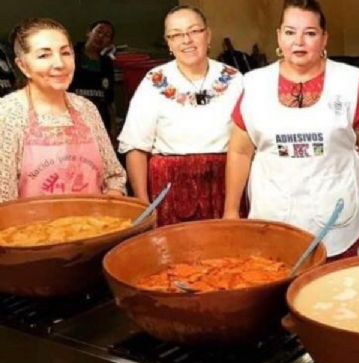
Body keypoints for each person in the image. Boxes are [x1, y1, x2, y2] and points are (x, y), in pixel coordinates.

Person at [223, 0, 359, 259]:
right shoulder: (254, 85)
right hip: (273, 214)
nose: (298, 41)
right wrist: (231, 209)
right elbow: (240, 152)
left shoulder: (349, 83)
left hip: (338, 216)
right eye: (290, 32)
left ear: (324, 39)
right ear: (278, 36)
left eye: (310, 33)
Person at [118, 5, 244, 226]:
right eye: (176, 34)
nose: (186, 40)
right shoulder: (153, 80)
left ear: (208, 35)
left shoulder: (233, 79)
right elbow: (136, 146)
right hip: (169, 189)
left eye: (194, 31)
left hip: (226, 186)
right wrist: (143, 206)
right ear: (168, 42)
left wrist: (232, 207)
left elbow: (247, 146)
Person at [0, 18, 126, 203]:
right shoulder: (8, 114)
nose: (59, 64)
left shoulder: (86, 109)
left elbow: (114, 177)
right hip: (30, 229)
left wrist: (111, 205)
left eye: (65, 53)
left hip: (95, 227)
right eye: (44, 55)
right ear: (23, 66)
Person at [69, 20, 116, 136]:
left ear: (109, 42)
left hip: (98, 123)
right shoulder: (69, 55)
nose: (101, 37)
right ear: (89, 32)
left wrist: (113, 129)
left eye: (107, 36)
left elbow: (110, 100)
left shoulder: (107, 64)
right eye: (98, 31)